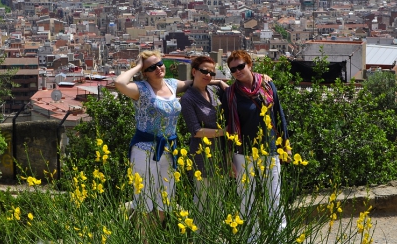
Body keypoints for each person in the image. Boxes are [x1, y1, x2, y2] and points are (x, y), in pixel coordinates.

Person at [114, 50, 192, 223]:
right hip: (145, 151)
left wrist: (217, 82)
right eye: (151, 68)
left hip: (169, 151)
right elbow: (119, 83)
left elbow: (195, 82)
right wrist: (139, 66)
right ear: (144, 73)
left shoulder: (172, 84)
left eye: (159, 64)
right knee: (144, 204)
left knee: (166, 202)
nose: (158, 69)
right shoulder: (140, 89)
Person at [222, 50, 290, 240]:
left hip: (269, 149)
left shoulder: (267, 85)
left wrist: (287, 146)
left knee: (274, 198)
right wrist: (229, 160)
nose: (237, 71)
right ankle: (251, 239)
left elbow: (279, 116)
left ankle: (279, 238)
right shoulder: (230, 93)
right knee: (246, 200)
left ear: (250, 64)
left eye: (241, 66)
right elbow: (228, 126)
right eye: (232, 69)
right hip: (242, 152)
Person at [180, 56, 229, 213]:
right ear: (194, 71)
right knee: (202, 201)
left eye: (211, 73)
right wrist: (224, 132)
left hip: (221, 153)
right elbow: (196, 131)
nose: (208, 75)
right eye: (204, 71)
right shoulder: (188, 99)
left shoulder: (214, 90)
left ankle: (214, 235)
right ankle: (199, 236)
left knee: (220, 200)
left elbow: (234, 95)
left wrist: (220, 82)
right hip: (202, 156)